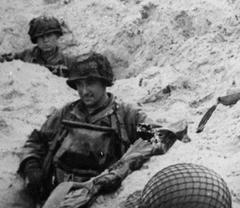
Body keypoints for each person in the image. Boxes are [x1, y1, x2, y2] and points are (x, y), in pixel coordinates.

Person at [18, 52, 148, 204]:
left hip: (101, 196)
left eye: (90, 83)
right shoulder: (66, 113)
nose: (84, 91)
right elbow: (37, 140)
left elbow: (157, 136)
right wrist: (31, 165)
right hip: (57, 193)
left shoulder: (126, 115)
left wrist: (126, 165)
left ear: (104, 82)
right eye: (79, 84)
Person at [0, 15, 72, 77]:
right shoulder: (27, 54)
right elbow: (10, 59)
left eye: (49, 35)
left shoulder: (67, 61)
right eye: (41, 37)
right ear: (35, 40)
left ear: (57, 36)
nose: (45, 40)